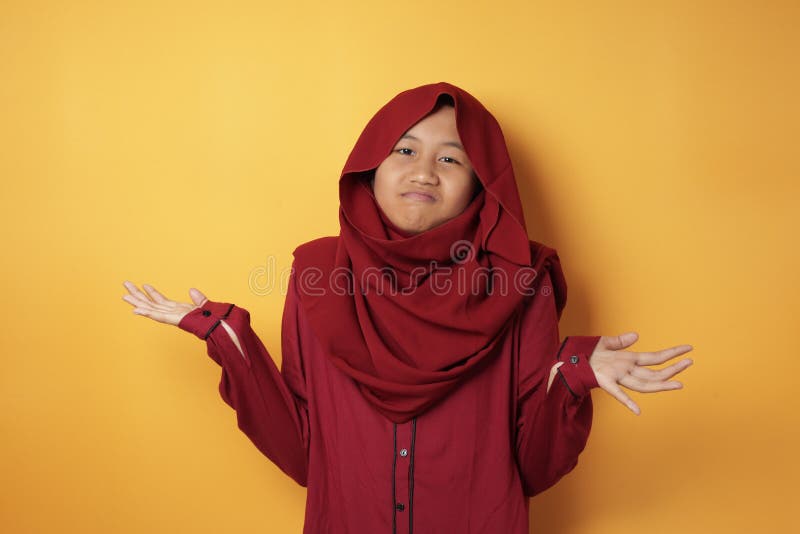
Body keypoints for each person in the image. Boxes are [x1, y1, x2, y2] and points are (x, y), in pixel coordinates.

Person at [122, 82, 693, 533]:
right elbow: (305, 453)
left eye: (452, 160)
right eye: (404, 150)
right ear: (370, 167)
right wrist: (227, 337)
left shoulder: (524, 285)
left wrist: (572, 375)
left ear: (481, 186)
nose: (423, 171)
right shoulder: (317, 276)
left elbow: (531, 468)